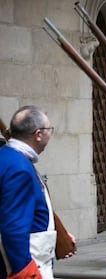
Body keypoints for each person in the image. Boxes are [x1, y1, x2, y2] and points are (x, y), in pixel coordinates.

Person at [0, 105, 56, 279]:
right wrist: (26, 273)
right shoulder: (20, 168)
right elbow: (14, 228)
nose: (50, 134)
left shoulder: (9, 157)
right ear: (38, 134)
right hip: (27, 263)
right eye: (49, 130)